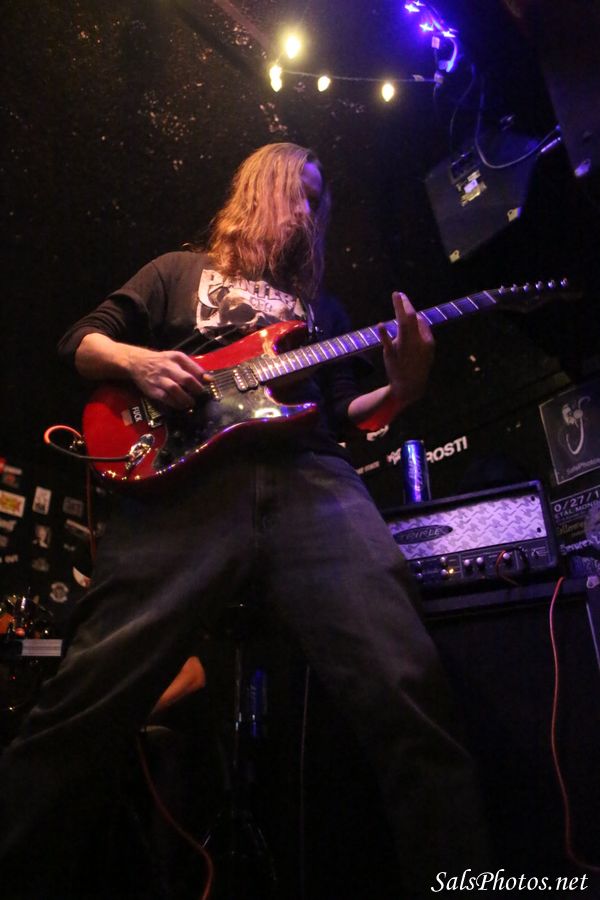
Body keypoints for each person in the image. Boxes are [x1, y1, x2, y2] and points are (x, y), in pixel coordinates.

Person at [0, 142, 487, 898]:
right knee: (85, 700)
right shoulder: (176, 271)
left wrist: (402, 390)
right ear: (263, 187)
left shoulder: (321, 314)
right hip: (184, 481)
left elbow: (342, 413)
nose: (310, 211)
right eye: (301, 191)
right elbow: (81, 342)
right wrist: (139, 362)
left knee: (408, 685)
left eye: (320, 202)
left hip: (310, 478)